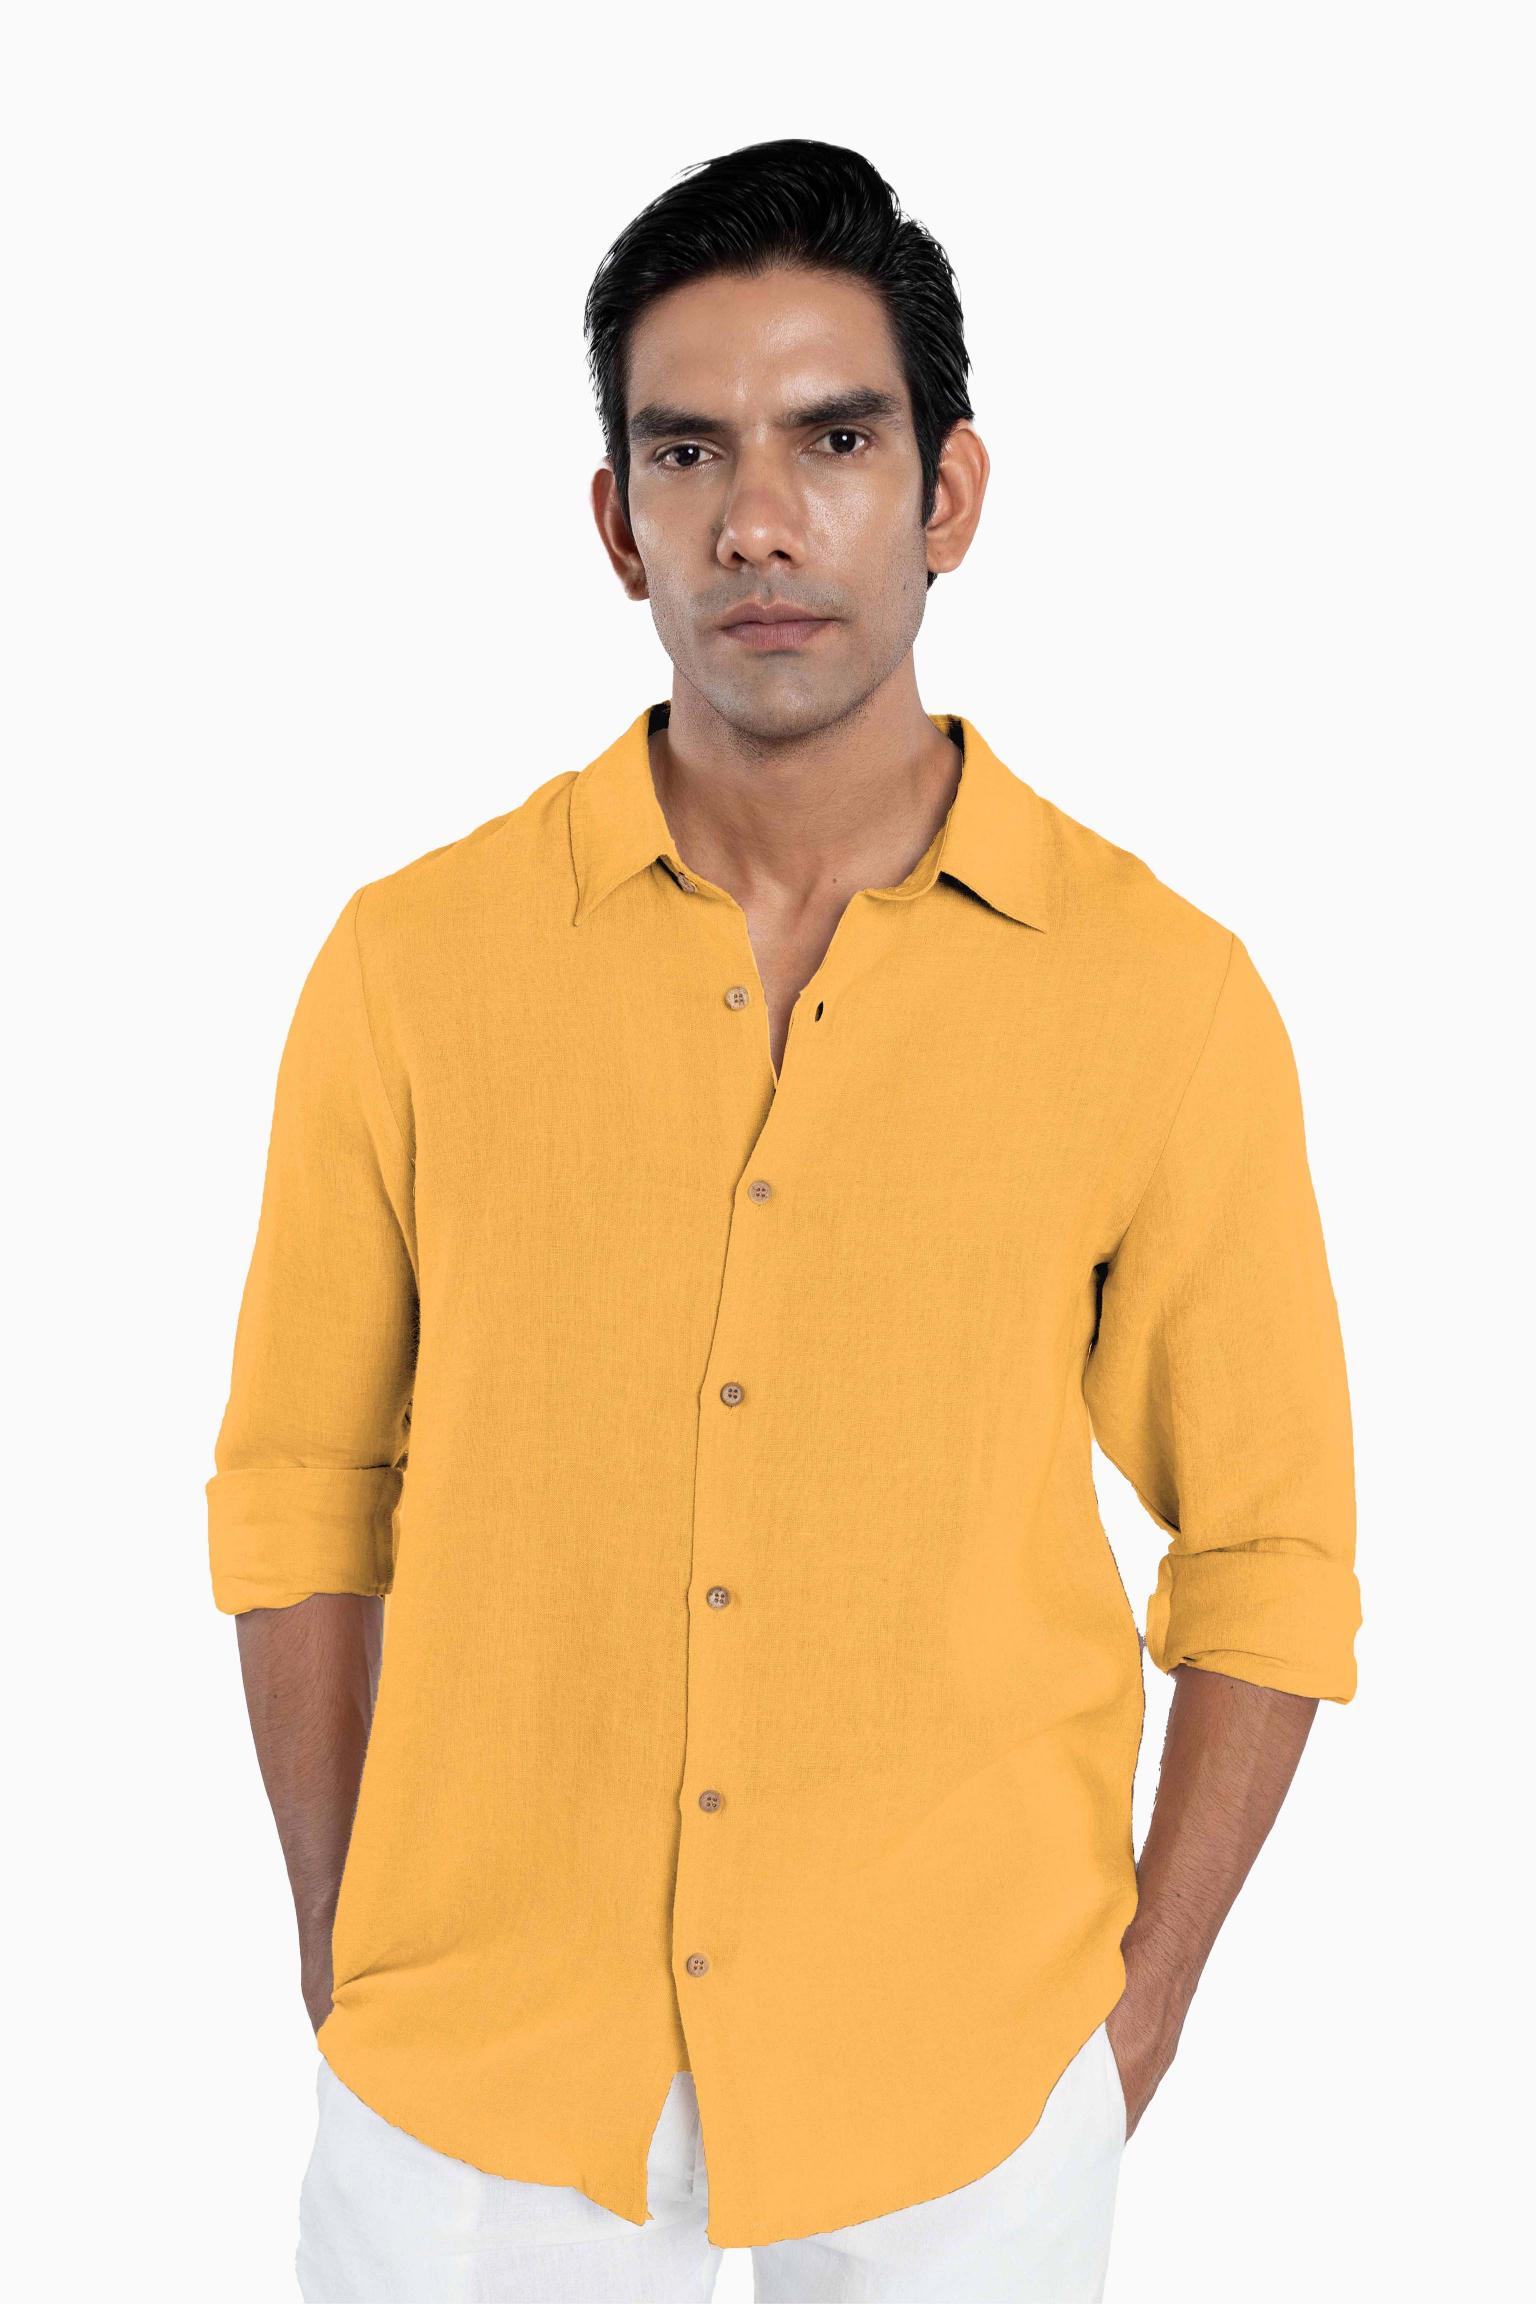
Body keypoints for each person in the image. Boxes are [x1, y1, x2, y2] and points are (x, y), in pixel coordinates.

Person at [207, 137, 1360, 2304]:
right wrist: (345, 1952)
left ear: (949, 496)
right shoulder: (412, 969)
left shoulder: (1161, 999)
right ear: (613, 521)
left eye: (834, 441)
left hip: (968, 2079)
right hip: (476, 2083)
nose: (758, 520)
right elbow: (297, 1490)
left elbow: (1273, 1558)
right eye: (688, 451)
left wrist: (1132, 2026)